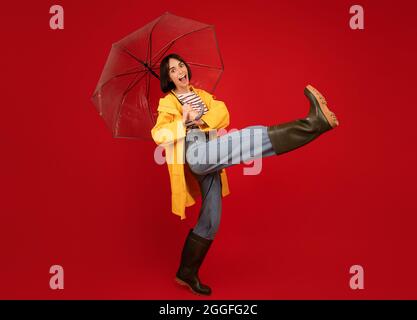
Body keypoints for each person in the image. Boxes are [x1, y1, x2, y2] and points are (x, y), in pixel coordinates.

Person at [151, 53, 339, 296]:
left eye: (181, 66)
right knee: (248, 136)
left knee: (211, 220)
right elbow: (159, 135)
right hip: (195, 153)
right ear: (169, 79)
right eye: (173, 70)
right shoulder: (168, 102)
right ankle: (312, 123)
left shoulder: (202, 95)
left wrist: (201, 121)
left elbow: (223, 112)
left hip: (210, 152)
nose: (180, 71)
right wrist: (184, 120)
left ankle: (186, 273)